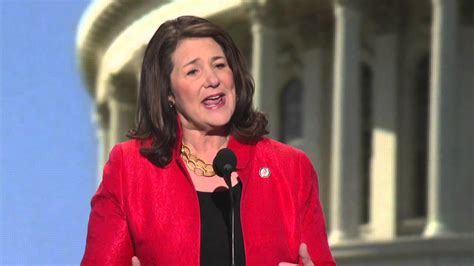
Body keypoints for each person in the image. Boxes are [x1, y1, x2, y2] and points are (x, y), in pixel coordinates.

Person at [81, 15, 335, 266]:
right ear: (168, 92)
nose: (213, 80)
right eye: (193, 71)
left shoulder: (291, 169)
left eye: (220, 65)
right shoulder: (130, 169)